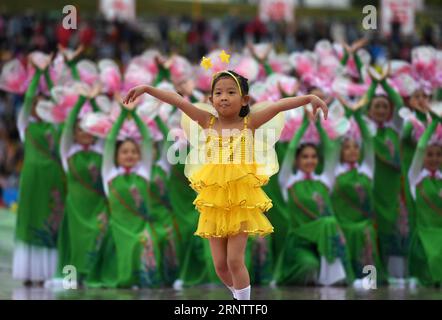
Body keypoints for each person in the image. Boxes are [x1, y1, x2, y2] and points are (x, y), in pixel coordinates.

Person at [123, 68, 328, 300]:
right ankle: (238, 296)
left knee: (234, 260)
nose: (224, 97)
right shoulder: (206, 121)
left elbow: (279, 104)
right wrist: (147, 89)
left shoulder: (250, 123)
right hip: (214, 202)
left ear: (244, 100)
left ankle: (243, 304)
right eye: (218, 92)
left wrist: (310, 98)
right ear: (211, 100)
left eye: (231, 92)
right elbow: (178, 100)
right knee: (220, 265)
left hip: (242, 201)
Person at [407, 114, 442, 286]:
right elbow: (421, 147)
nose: (434, 158)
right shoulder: (415, 178)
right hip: (424, 236)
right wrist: (435, 122)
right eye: (430, 154)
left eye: (438, 154)